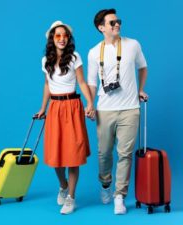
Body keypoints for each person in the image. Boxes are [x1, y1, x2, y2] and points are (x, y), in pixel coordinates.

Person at [87, 9, 148, 215]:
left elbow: (143, 67)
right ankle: (105, 185)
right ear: (101, 27)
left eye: (118, 21)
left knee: (125, 154)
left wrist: (140, 90)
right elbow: (92, 83)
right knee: (104, 153)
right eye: (112, 23)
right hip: (105, 110)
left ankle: (119, 196)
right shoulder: (94, 52)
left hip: (130, 108)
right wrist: (89, 104)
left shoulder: (133, 45)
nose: (117, 25)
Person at [35, 21, 94, 215]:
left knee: (73, 154)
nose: (61, 38)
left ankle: (71, 197)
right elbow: (47, 85)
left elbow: (82, 82)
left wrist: (90, 103)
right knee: (56, 155)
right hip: (55, 108)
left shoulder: (75, 57)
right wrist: (43, 108)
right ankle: (63, 185)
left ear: (68, 38)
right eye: (57, 35)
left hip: (72, 107)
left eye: (65, 35)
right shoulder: (46, 61)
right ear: (52, 38)